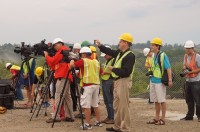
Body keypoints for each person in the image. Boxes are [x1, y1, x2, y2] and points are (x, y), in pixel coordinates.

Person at [96, 33, 135, 132]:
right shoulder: (120, 52)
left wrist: (113, 69)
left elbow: (126, 72)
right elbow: (110, 51)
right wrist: (100, 46)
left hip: (123, 81)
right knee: (116, 106)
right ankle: (117, 126)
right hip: (117, 81)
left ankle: (125, 128)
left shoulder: (130, 56)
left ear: (125, 43)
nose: (119, 43)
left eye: (121, 41)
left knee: (124, 106)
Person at [70, 47, 102, 130]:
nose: (80, 56)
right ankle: (98, 122)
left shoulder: (83, 61)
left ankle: (88, 124)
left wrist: (72, 60)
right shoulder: (96, 62)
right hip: (96, 84)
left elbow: (72, 65)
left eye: (81, 55)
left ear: (84, 54)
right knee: (95, 104)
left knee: (86, 105)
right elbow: (100, 72)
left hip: (87, 86)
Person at [44, 38, 74, 123]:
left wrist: (46, 56)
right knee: (67, 97)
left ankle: (55, 116)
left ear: (60, 43)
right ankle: (70, 116)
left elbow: (53, 60)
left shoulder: (62, 50)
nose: (54, 47)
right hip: (66, 75)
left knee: (58, 95)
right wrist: (48, 58)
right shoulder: (63, 51)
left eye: (55, 45)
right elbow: (53, 65)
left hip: (63, 75)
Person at [147, 37, 173, 125]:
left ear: (158, 46)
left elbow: (168, 68)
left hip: (160, 81)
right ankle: (157, 118)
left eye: (153, 45)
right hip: (153, 80)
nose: (151, 46)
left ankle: (163, 119)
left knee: (161, 100)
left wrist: (170, 80)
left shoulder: (163, 55)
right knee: (156, 100)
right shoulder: (154, 55)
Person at [180, 40, 200, 122]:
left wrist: (191, 71)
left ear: (192, 48)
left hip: (196, 81)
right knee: (188, 99)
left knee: (197, 99)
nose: (187, 50)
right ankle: (189, 115)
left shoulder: (197, 56)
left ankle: (199, 116)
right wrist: (185, 67)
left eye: (188, 48)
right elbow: (184, 64)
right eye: (186, 48)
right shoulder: (185, 56)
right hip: (188, 80)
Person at [100, 45, 115, 124]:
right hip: (105, 80)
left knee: (110, 101)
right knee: (106, 100)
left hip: (109, 81)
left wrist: (104, 72)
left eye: (105, 55)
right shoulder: (108, 61)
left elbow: (114, 70)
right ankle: (109, 116)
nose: (104, 57)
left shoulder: (113, 60)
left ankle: (112, 117)